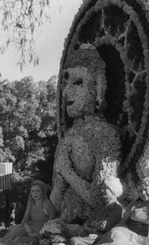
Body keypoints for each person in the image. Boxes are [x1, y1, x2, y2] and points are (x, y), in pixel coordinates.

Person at [51, 44, 122, 223]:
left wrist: (67, 172)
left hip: (95, 222)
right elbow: (55, 201)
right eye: (66, 83)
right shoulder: (68, 136)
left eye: (78, 82)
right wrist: (60, 179)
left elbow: (100, 199)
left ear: (98, 87)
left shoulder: (105, 134)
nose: (67, 91)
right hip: (66, 219)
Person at [0, 180, 56, 245]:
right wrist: (27, 228)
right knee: (17, 231)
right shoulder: (31, 203)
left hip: (39, 233)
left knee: (19, 240)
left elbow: (51, 224)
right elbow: (25, 220)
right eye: (33, 191)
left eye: (37, 191)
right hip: (29, 229)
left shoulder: (46, 204)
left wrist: (35, 234)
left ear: (42, 192)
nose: (35, 193)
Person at [68, 176, 124, 245]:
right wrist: (94, 228)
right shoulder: (101, 206)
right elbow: (87, 223)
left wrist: (93, 225)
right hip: (91, 235)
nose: (102, 190)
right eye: (102, 188)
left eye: (105, 188)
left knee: (73, 241)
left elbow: (105, 227)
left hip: (103, 238)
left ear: (113, 190)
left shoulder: (117, 208)